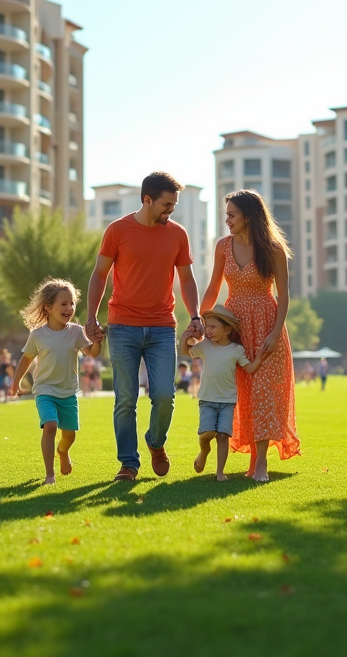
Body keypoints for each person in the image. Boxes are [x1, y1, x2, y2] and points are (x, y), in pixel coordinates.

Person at [85, 172, 201, 482]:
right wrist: (91, 316)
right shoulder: (117, 230)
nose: (170, 210)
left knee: (165, 395)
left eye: (173, 205)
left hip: (163, 326)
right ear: (146, 199)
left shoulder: (178, 234)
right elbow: (99, 275)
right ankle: (128, 463)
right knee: (126, 397)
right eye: (166, 204)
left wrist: (196, 316)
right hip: (123, 326)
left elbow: (187, 279)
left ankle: (155, 441)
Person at [200, 189, 301, 482]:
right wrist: (201, 321)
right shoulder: (223, 246)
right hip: (234, 327)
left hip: (268, 325)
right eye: (226, 215)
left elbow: (283, 295)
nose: (228, 220)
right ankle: (250, 458)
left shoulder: (273, 249)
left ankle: (260, 464)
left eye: (232, 214)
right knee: (242, 393)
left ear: (249, 215)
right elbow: (212, 287)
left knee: (265, 393)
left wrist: (276, 331)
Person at [11, 278, 103, 485]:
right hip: (45, 390)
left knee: (69, 436)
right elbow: (26, 358)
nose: (69, 308)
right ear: (49, 307)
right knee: (50, 426)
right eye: (64, 303)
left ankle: (63, 451)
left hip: (68, 392)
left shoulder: (76, 332)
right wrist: (15, 383)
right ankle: (49, 475)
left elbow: (93, 353)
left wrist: (98, 339)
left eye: (72, 303)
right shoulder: (38, 335)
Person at [179, 305, 266, 481]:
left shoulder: (236, 350)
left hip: (227, 400)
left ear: (227, 329)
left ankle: (220, 473)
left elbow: (249, 368)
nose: (208, 331)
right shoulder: (205, 346)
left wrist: (260, 357)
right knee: (207, 433)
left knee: (223, 436)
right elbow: (185, 352)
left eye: (212, 327)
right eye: (207, 326)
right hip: (207, 399)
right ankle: (204, 450)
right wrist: (185, 337)